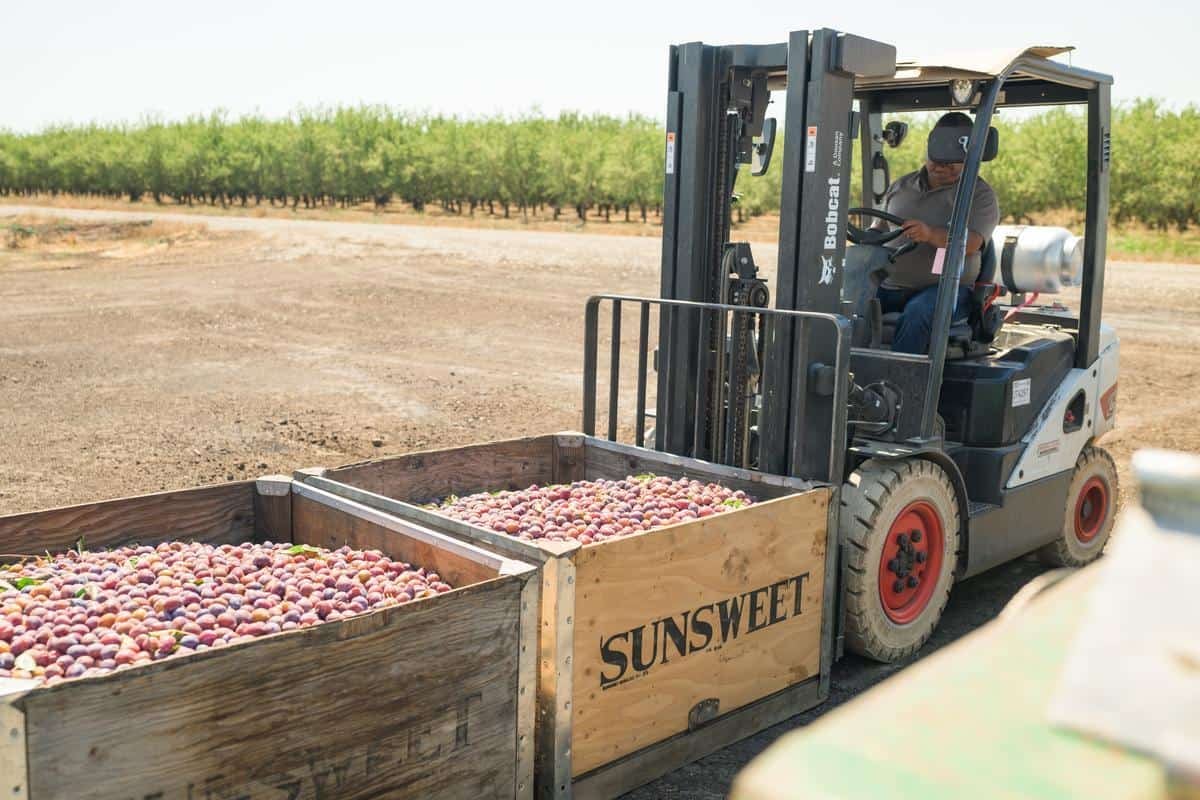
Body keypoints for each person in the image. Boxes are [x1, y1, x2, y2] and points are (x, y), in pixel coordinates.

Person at [876, 111, 1000, 354]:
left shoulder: (979, 195)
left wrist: (930, 234)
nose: (940, 166)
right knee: (844, 302)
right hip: (891, 285)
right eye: (936, 158)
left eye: (950, 162)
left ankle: (900, 386)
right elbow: (878, 230)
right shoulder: (901, 187)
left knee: (918, 312)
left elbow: (973, 242)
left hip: (947, 290)